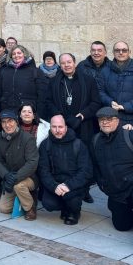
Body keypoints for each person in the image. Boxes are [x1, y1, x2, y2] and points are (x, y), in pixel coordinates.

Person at [46, 52, 101, 203]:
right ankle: (65, 187)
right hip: (62, 126)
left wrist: (81, 116)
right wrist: (60, 118)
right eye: (63, 63)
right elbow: (49, 102)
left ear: (75, 62)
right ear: (60, 65)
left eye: (69, 62)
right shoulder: (54, 82)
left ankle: (84, 190)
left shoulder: (88, 80)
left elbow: (96, 102)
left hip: (83, 125)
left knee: (83, 159)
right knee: (65, 159)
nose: (67, 65)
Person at [38, 115, 93, 225]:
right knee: (49, 204)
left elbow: (85, 171)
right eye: (54, 127)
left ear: (66, 127)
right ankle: (64, 208)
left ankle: (74, 212)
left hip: (74, 185)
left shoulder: (78, 144)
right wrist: (54, 186)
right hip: (56, 184)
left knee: (72, 200)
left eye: (60, 127)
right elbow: (43, 171)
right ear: (50, 128)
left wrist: (68, 186)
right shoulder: (45, 145)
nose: (57, 130)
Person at [0, 109, 39, 220]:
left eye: (10, 121)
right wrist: (6, 175)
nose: (7, 125)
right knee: (4, 208)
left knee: (19, 186)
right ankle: (22, 197)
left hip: (28, 177)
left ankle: (30, 208)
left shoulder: (27, 138)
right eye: (3, 122)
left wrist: (16, 177)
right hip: (9, 176)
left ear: (16, 121)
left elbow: (32, 162)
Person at [97, 41, 133, 132]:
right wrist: (110, 102)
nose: (121, 52)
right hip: (110, 119)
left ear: (129, 52)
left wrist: (124, 106)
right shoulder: (104, 71)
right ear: (113, 53)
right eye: (117, 50)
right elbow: (99, 91)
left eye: (124, 50)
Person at [0, 45, 47, 122]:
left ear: (24, 54)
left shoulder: (35, 71)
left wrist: (39, 112)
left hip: (26, 110)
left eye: (19, 53)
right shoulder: (4, 70)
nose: (16, 55)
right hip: (7, 109)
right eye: (14, 54)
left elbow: (42, 94)